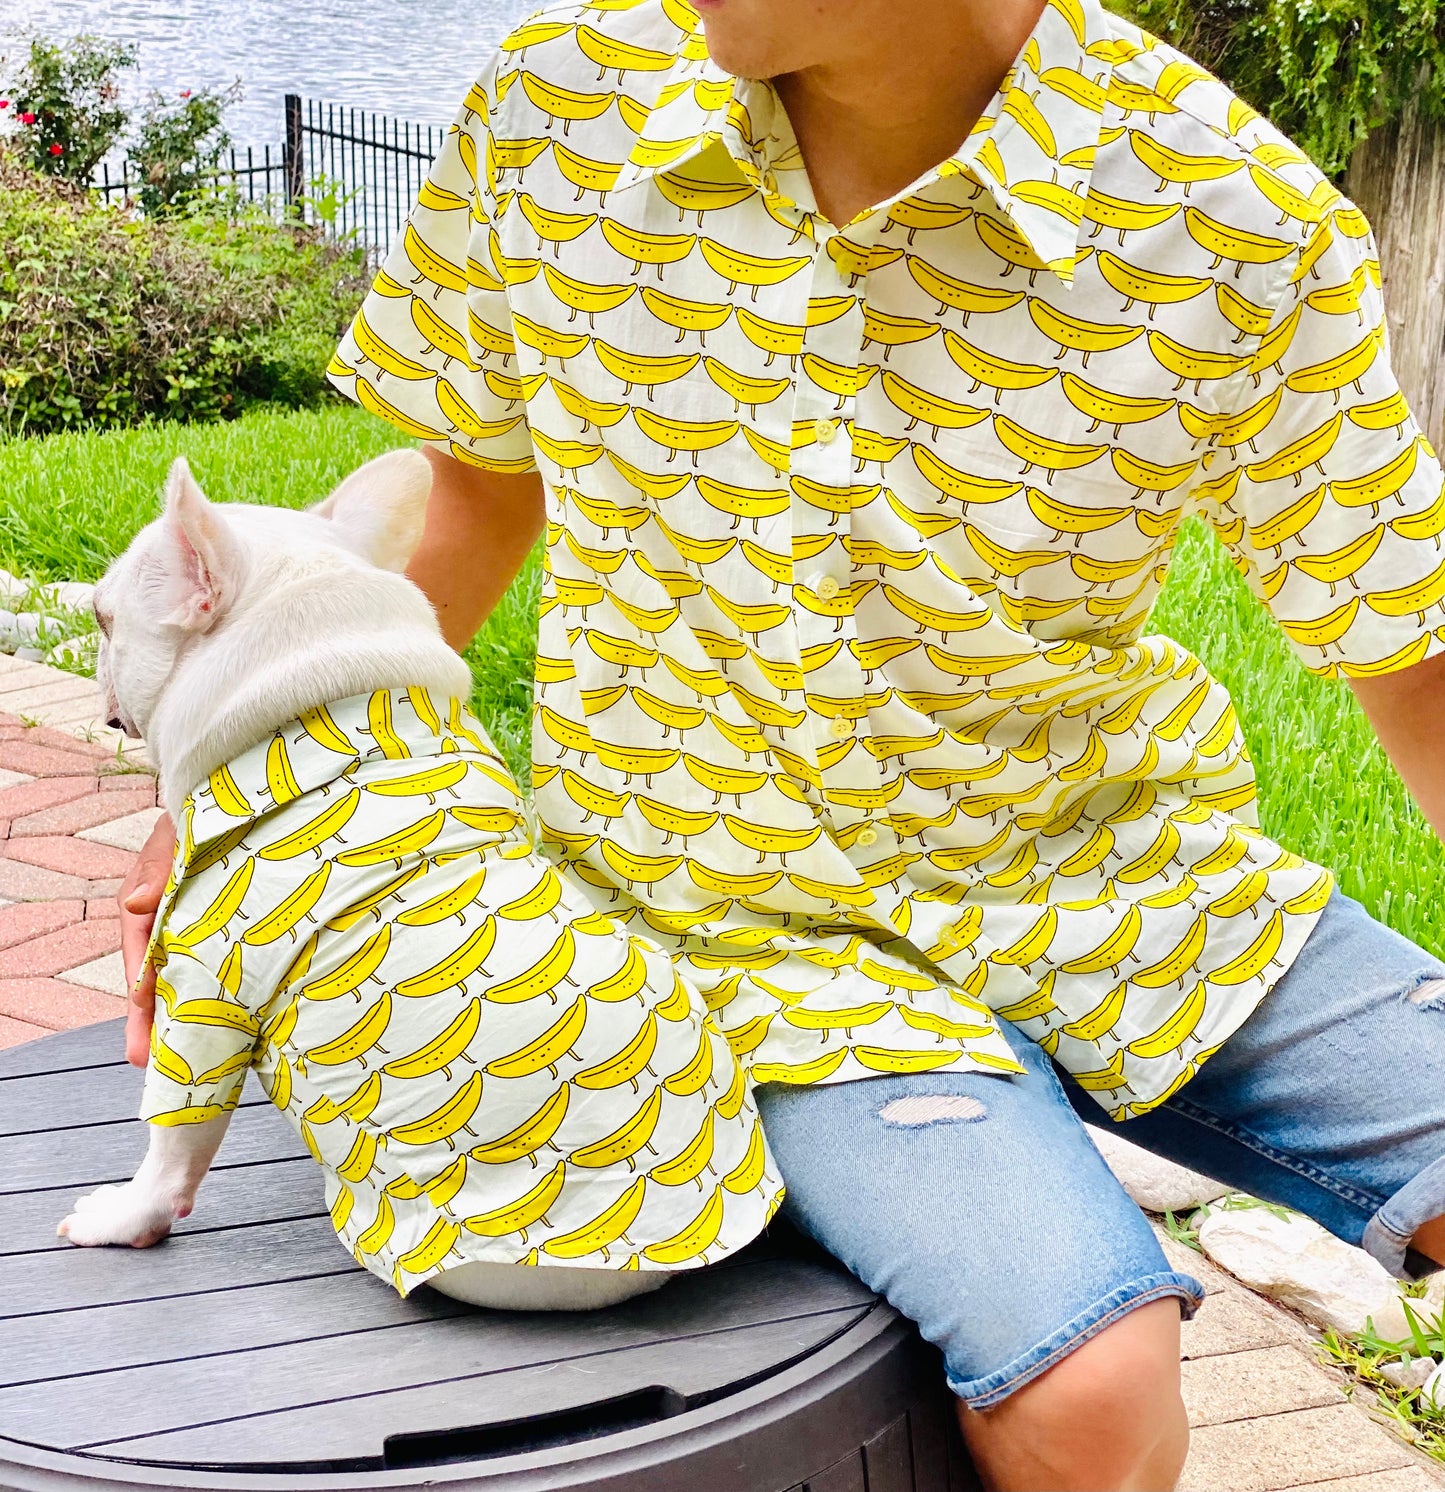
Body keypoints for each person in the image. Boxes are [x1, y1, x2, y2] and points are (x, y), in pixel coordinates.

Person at [119, 0, 1445, 1485]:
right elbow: (471, 500)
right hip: (732, 924)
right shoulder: (559, 112)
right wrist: (250, 805)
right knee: (1087, 1384)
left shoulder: (1232, 216)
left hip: (1115, 884)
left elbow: (1414, 663)